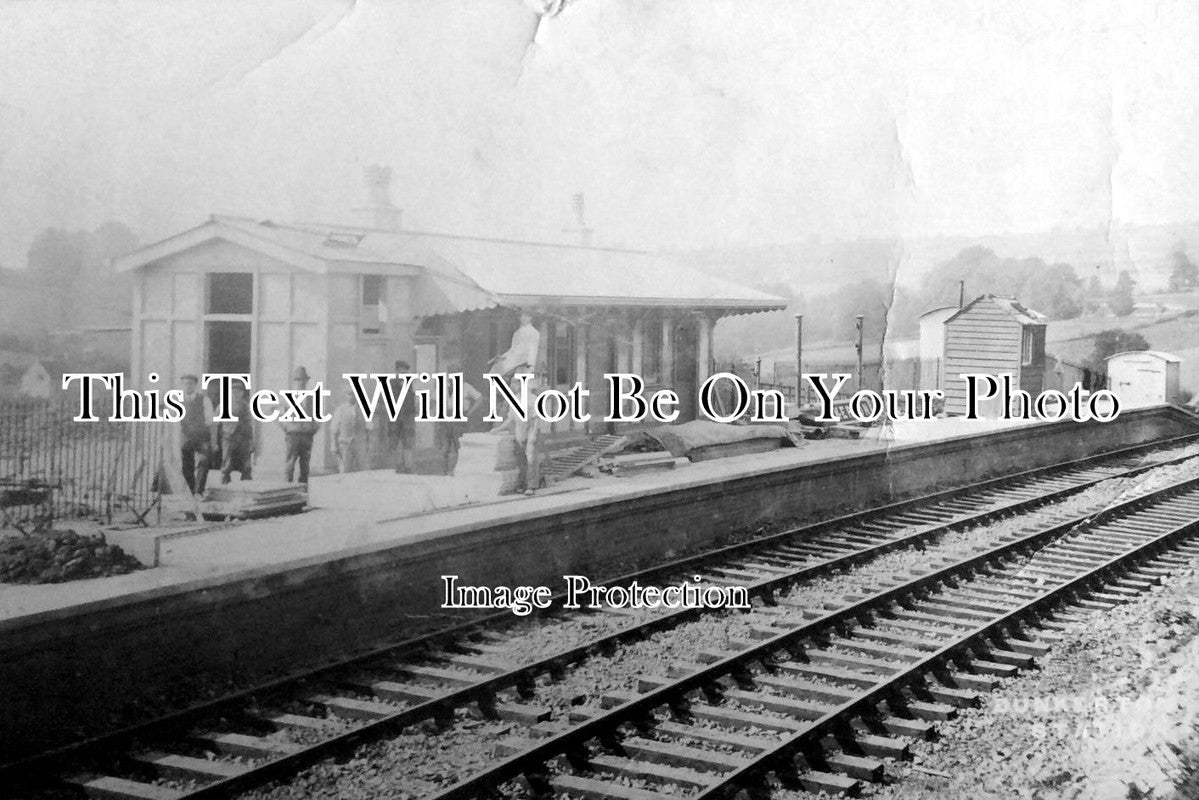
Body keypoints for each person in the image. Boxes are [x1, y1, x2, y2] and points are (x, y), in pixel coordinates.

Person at [435, 365, 482, 475]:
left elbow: (479, 398)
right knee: (444, 447)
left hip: (459, 418)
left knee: (458, 446)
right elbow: (435, 400)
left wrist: (470, 412)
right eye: (450, 373)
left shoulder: (466, 387)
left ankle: (455, 471)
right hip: (445, 418)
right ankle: (444, 471)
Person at [178, 374, 217, 498]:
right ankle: (191, 492)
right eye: (185, 383)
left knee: (204, 461)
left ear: (195, 385)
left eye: (190, 383)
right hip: (186, 437)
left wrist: (213, 440)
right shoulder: (177, 401)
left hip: (201, 437)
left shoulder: (204, 400)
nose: (187, 386)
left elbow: (210, 420)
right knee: (186, 466)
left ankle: (199, 491)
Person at [282, 365, 320, 484]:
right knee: (291, 461)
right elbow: (279, 416)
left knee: (305, 463)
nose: (301, 382)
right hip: (293, 435)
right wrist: (287, 429)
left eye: (303, 379)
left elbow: (316, 418)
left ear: (307, 381)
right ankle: (287, 486)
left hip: (307, 435)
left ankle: (303, 487)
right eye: (298, 379)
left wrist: (313, 429)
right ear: (294, 381)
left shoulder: (311, 398)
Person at [217, 383, 258, 484]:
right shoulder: (223, 405)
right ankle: (224, 483)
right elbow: (216, 423)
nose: (235, 394)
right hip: (228, 437)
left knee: (246, 465)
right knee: (226, 463)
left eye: (238, 392)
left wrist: (251, 441)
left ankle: (246, 486)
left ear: (242, 393)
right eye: (233, 391)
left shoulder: (246, 406)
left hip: (243, 438)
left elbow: (249, 424)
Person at [330, 387, 368, 474]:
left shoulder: (363, 409)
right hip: (345, 444)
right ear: (345, 396)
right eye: (349, 394)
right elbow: (334, 429)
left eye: (354, 394)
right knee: (345, 469)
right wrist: (334, 445)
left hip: (360, 443)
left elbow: (368, 427)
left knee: (363, 469)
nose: (351, 397)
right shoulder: (340, 410)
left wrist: (367, 443)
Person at [490, 311, 540, 377]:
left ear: (530, 318)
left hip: (523, 360)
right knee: (495, 368)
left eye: (526, 316)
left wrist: (531, 365)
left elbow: (533, 350)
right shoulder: (517, 332)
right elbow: (513, 349)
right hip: (514, 358)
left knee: (499, 371)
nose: (523, 318)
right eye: (522, 316)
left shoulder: (534, 332)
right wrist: (503, 357)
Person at [388, 360, 417, 473]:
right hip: (394, 416)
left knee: (408, 442)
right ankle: (395, 466)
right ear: (396, 370)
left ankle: (408, 467)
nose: (403, 373)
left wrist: (415, 410)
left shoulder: (412, 383)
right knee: (394, 441)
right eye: (401, 370)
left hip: (408, 417)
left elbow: (416, 397)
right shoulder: (390, 383)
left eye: (405, 371)